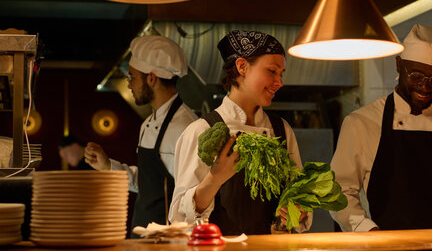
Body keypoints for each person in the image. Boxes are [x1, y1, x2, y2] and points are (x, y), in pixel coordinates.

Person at [330, 24, 432, 231]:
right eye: (416, 76)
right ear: (399, 65)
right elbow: (339, 190)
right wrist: (365, 230)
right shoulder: (361, 123)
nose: (425, 87)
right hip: (384, 250)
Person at [169, 30, 311, 235]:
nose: (279, 82)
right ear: (242, 67)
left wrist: (298, 211)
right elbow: (179, 219)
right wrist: (215, 178)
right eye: (272, 71)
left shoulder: (282, 130)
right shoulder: (202, 130)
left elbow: (301, 203)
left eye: (281, 74)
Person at [84, 35, 198, 232]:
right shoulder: (147, 124)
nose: (129, 84)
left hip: (168, 244)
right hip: (143, 237)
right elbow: (148, 185)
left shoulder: (187, 128)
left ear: (151, 78)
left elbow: (193, 198)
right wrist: (108, 166)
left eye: (133, 77)